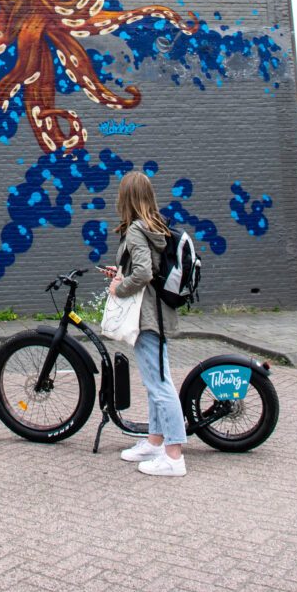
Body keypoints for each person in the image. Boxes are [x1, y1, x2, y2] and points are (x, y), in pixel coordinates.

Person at [102, 170, 187, 477]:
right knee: (155, 382)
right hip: (156, 314)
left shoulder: (137, 230)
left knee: (160, 385)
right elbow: (147, 269)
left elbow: (144, 274)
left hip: (147, 318)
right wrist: (120, 271)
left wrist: (119, 287)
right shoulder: (154, 225)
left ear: (127, 198)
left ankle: (174, 456)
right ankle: (154, 442)